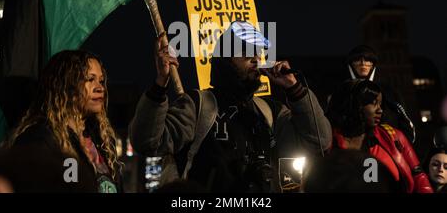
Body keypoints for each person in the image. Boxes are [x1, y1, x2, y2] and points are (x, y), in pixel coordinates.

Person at [130, 21, 332, 192]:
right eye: (245, 51)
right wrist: (160, 84)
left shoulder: (270, 113)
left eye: (257, 52)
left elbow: (321, 141)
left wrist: (295, 89)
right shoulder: (198, 105)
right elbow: (148, 142)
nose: (254, 58)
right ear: (225, 59)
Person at [8, 50, 121, 193]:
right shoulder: (42, 140)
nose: (100, 88)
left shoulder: (102, 140)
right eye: (90, 79)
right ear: (67, 85)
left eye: (101, 80)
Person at [327, 79, 432, 193]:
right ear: (355, 104)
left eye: (380, 104)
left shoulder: (393, 136)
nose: (380, 110)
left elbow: (418, 175)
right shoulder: (329, 141)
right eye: (373, 103)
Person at [345, 45, 416, 144]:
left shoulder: (388, 92)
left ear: (373, 64)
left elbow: (405, 125)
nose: (363, 63)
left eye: (368, 60)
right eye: (357, 60)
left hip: (384, 146)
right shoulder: (343, 91)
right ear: (351, 64)